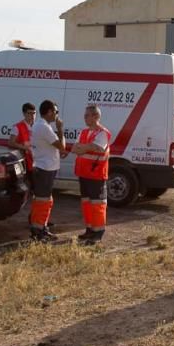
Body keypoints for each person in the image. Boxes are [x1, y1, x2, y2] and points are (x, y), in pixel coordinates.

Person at [71, 104, 111, 245]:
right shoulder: (83, 132)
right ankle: (90, 229)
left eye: (87, 115)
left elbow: (98, 147)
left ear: (96, 116)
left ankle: (98, 232)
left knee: (97, 204)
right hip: (84, 174)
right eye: (85, 115)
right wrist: (85, 148)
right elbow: (75, 148)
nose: (85, 117)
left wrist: (84, 148)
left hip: (96, 175)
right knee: (86, 204)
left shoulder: (102, 133)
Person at [29, 99, 66, 241]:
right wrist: (61, 129)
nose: (56, 115)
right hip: (45, 168)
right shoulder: (44, 127)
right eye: (56, 112)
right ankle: (38, 231)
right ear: (49, 112)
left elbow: (54, 147)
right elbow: (61, 146)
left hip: (44, 167)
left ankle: (41, 228)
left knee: (44, 200)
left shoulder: (41, 126)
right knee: (43, 200)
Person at [8, 102, 36, 193]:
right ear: (24, 114)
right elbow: (11, 143)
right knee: (25, 185)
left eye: (34, 113)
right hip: (23, 161)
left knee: (35, 186)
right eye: (29, 113)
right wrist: (24, 147)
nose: (32, 116)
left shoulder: (37, 127)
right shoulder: (18, 127)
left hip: (34, 160)